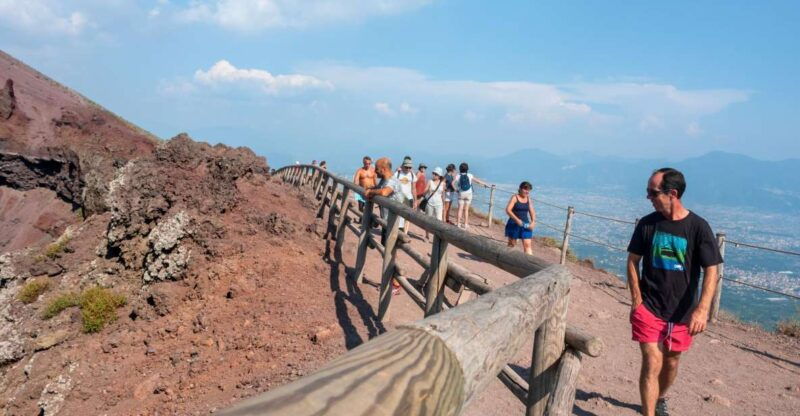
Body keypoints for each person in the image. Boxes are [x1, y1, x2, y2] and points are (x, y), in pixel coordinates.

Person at [627, 168, 722, 416]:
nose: (648, 197)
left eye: (652, 192)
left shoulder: (698, 227)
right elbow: (632, 261)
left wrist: (702, 310)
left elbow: (712, 270)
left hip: (682, 312)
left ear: (672, 193)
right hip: (649, 308)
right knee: (652, 362)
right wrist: (637, 300)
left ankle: (660, 397)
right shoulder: (648, 224)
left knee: (671, 362)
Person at [365, 157, 405, 295]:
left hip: (394, 225)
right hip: (387, 222)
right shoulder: (384, 181)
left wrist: (371, 192)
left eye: (377, 169)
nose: (375, 172)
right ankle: (390, 282)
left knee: (392, 254)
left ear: (384, 169)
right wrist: (370, 190)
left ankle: (395, 284)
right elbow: (377, 188)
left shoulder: (392, 181)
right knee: (387, 253)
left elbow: (383, 192)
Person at [504, 181, 536, 255]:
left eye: (528, 190)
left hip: (525, 224)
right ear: (520, 189)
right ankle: (507, 260)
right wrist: (517, 220)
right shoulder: (515, 198)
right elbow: (508, 210)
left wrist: (533, 221)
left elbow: (532, 211)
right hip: (513, 223)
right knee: (512, 244)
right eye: (525, 189)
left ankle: (528, 263)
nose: (527, 191)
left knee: (527, 245)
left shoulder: (528, 199)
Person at [453, 162, 486, 230]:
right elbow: (478, 181)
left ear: (460, 169)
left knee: (460, 209)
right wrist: (485, 184)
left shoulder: (458, 176)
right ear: (467, 169)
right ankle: (465, 224)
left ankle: (458, 224)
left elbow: (452, 183)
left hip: (461, 193)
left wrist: (456, 190)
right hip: (469, 194)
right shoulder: (470, 175)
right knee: (466, 210)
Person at [421, 167, 446, 242]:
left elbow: (443, 195)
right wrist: (426, 190)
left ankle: (438, 237)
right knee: (428, 220)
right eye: (433, 173)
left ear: (439, 175)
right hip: (430, 203)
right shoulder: (430, 182)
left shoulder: (443, 184)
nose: (434, 175)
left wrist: (444, 205)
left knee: (439, 220)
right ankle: (427, 236)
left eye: (436, 174)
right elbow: (424, 192)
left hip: (439, 204)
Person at [394, 156, 417, 233]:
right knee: (398, 215)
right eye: (406, 167)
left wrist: (415, 201)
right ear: (403, 166)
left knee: (407, 216)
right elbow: (392, 184)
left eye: (409, 167)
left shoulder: (412, 175)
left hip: (409, 198)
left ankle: (405, 232)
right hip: (398, 198)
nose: (408, 169)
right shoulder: (397, 173)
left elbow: (414, 188)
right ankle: (397, 230)